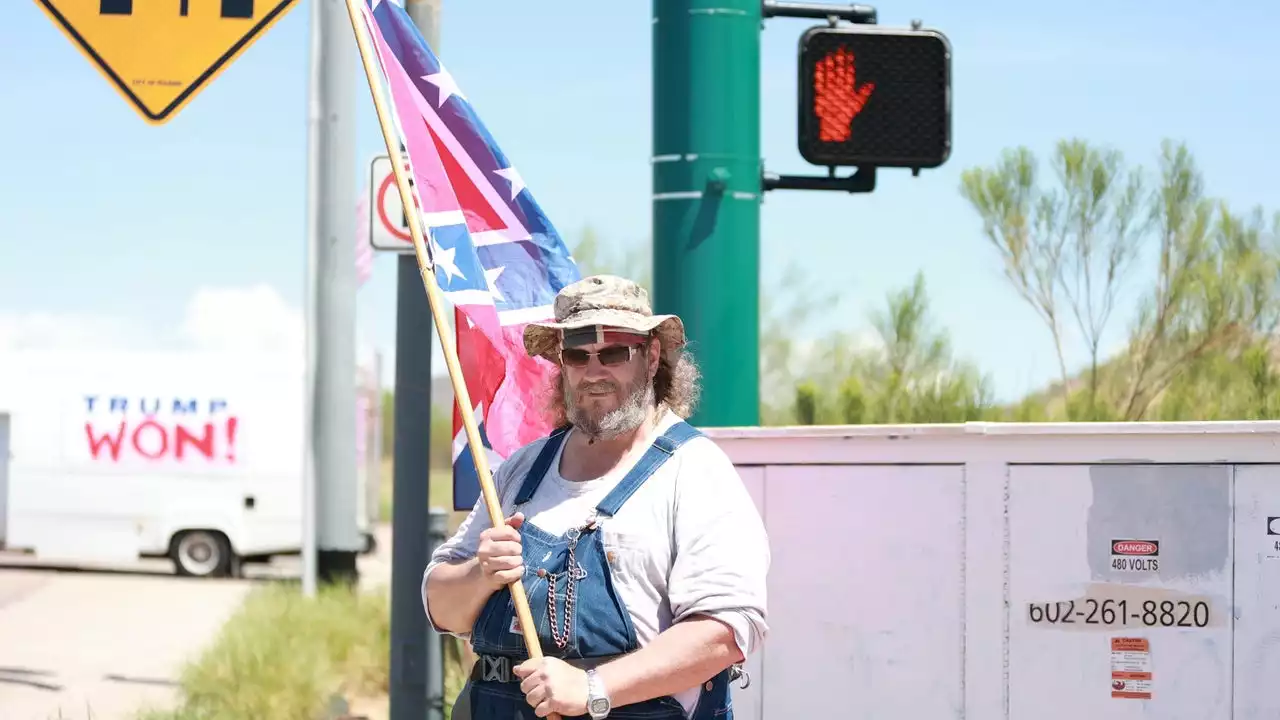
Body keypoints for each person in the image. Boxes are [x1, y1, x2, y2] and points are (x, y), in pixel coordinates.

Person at [422, 274, 770, 720]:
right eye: (577, 355)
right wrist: (480, 574)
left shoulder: (695, 471)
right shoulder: (520, 470)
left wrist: (592, 688)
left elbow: (727, 630)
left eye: (613, 353)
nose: (593, 372)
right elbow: (440, 607)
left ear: (652, 357)